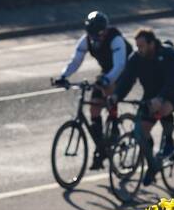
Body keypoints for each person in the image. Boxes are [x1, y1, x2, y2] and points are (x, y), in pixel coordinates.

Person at [107, 28, 174, 185]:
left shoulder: (167, 54)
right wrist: (117, 95)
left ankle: (169, 144)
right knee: (140, 131)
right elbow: (127, 79)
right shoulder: (136, 58)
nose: (139, 50)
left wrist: (161, 98)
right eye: (137, 46)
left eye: (142, 46)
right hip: (151, 95)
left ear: (152, 44)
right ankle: (152, 165)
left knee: (163, 108)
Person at [52, 11, 131, 169]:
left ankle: (114, 126)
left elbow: (119, 65)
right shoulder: (87, 39)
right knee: (94, 108)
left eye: (99, 34)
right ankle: (100, 147)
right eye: (92, 35)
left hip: (126, 72)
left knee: (108, 89)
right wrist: (63, 76)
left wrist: (107, 80)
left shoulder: (116, 39)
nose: (96, 39)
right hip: (107, 71)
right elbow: (75, 60)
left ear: (105, 30)